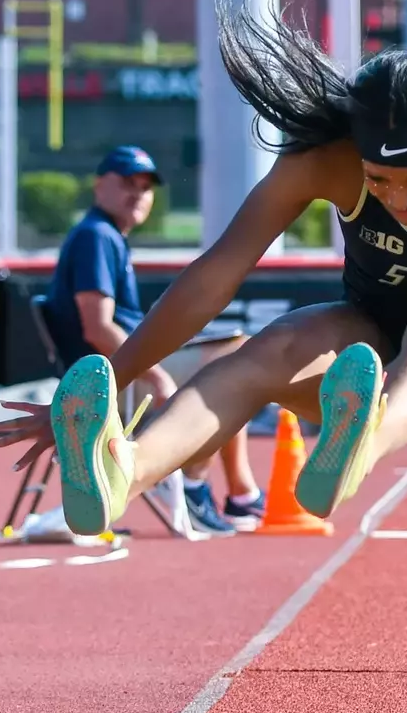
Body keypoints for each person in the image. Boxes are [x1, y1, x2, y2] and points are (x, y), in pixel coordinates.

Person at [0, 0, 407, 601]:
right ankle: (120, 474)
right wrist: (113, 381)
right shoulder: (325, 158)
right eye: (381, 180)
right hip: (371, 353)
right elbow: (215, 274)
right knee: (269, 348)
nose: (400, 200)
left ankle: (361, 442)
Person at [34, 145, 266, 537]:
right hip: (108, 377)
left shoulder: (106, 235)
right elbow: (98, 328)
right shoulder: (96, 236)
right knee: (231, 363)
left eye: (145, 187)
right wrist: (156, 376)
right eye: (127, 182)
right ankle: (196, 484)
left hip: (110, 370)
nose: (137, 193)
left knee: (235, 355)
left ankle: (237, 490)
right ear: (98, 186)